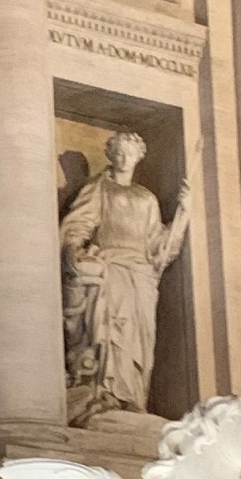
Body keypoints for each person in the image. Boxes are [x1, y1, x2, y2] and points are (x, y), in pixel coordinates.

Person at [59, 130, 189, 422]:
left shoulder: (147, 199)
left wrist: (183, 215)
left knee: (138, 340)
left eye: (129, 152)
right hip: (111, 269)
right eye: (118, 151)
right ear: (110, 155)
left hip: (141, 274)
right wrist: (74, 251)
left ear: (138, 157)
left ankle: (133, 396)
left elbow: (160, 246)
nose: (123, 157)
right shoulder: (100, 188)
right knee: (111, 331)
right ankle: (106, 394)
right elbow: (80, 223)